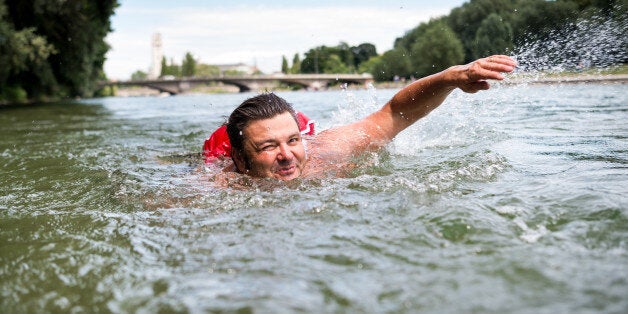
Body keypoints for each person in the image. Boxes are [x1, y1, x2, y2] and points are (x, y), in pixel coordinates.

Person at [212, 55, 517, 181]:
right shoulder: (224, 183)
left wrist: (451, 78)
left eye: (292, 140)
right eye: (267, 146)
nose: (286, 156)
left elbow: (394, 113)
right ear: (240, 160)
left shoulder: (325, 153)